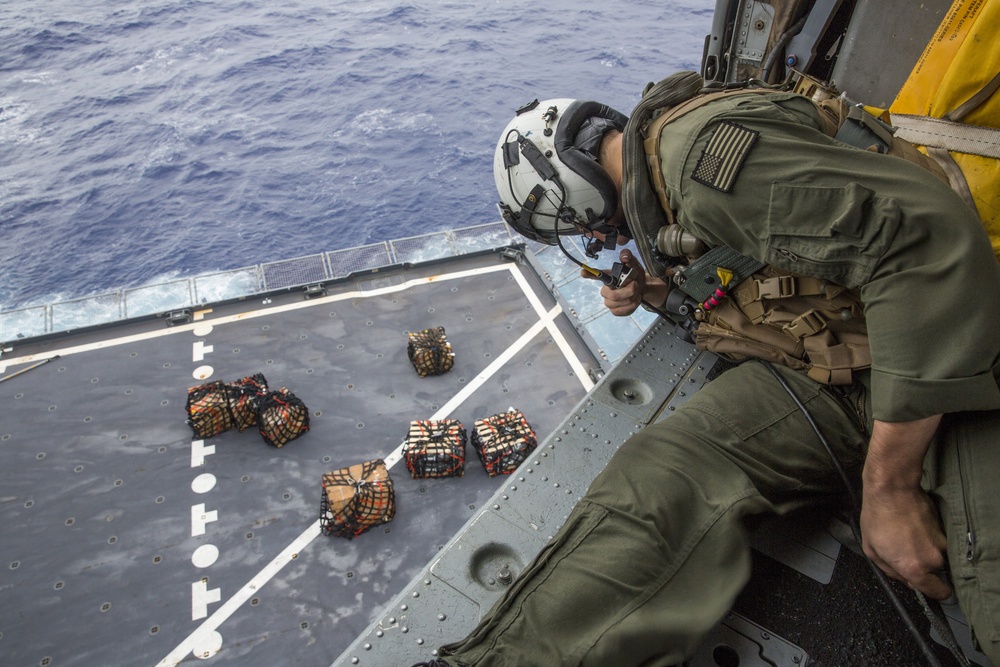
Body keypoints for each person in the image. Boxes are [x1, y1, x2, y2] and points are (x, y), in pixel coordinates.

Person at [416, 71, 1000, 667]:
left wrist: (890, 489)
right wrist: (657, 291)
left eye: (578, 226)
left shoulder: (700, 166)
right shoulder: (665, 179)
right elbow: (776, 267)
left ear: (572, 192)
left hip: (945, 349)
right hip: (833, 360)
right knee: (660, 473)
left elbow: (927, 245)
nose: (593, 238)